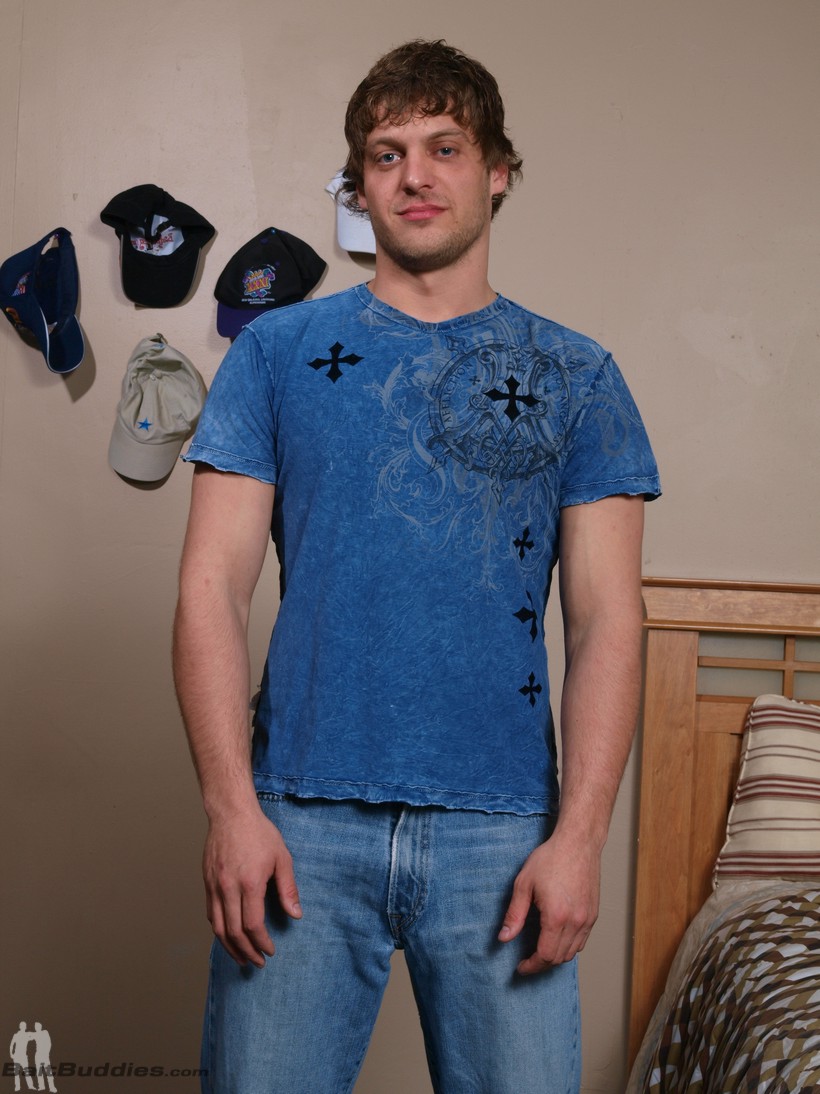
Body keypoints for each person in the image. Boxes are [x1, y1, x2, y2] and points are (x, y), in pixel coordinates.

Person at [173, 39, 660, 1094]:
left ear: (498, 172)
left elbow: (606, 622)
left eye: (445, 147)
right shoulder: (274, 355)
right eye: (386, 155)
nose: (415, 176)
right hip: (297, 818)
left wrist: (580, 838)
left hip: (504, 833)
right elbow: (210, 588)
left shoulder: (578, 375)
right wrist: (231, 810)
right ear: (358, 186)